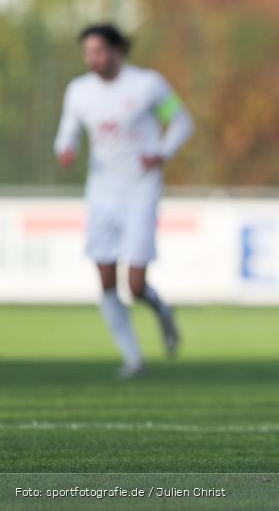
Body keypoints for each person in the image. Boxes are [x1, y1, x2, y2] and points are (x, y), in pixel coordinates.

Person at [54, 23, 194, 378]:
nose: (93, 59)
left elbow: (180, 122)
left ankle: (160, 309)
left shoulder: (146, 86)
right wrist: (66, 149)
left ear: (117, 51)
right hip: (101, 194)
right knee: (104, 278)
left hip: (140, 191)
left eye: (99, 52)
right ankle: (133, 358)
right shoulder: (79, 91)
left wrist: (162, 152)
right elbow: (67, 132)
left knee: (134, 283)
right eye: (88, 53)